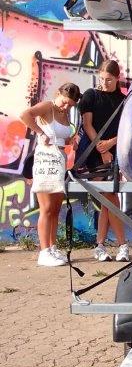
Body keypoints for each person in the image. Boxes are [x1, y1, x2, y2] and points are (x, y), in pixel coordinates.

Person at [20, 83, 82, 267]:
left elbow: (60, 137)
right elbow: (25, 115)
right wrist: (40, 132)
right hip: (45, 160)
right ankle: (44, 251)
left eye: (70, 105)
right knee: (46, 208)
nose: (66, 106)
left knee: (55, 208)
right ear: (58, 94)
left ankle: (52, 247)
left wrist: (71, 141)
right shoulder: (48, 106)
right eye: (65, 102)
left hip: (59, 160)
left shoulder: (65, 114)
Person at [78, 59, 130, 262]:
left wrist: (110, 144)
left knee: (108, 199)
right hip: (93, 153)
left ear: (118, 78)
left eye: (109, 79)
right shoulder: (91, 95)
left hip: (115, 152)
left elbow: (127, 129)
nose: (104, 83)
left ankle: (100, 246)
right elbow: (87, 125)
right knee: (109, 197)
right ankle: (122, 245)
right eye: (101, 79)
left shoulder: (124, 101)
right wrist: (102, 148)